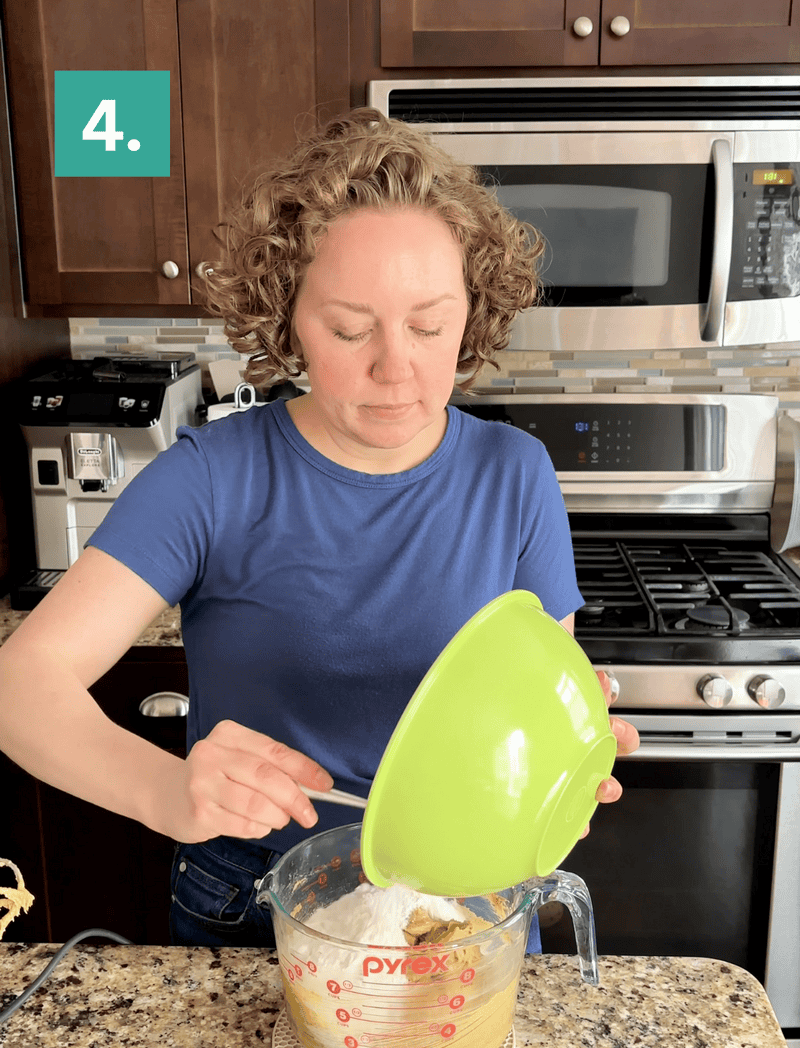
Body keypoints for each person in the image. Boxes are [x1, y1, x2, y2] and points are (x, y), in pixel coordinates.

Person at [0, 107, 638, 951]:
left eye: (429, 323)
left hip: (468, 897)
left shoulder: (514, 474)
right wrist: (167, 792)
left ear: (473, 313)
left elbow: (533, 696)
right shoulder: (210, 479)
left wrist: (563, 770)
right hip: (253, 897)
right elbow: (20, 686)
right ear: (287, 316)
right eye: (348, 328)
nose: (395, 366)